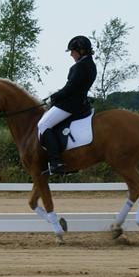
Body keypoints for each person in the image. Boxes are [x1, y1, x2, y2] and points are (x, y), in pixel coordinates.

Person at [38, 35, 97, 175]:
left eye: (73, 51)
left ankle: (55, 163)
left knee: (43, 125)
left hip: (70, 105)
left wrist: (54, 97)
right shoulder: (90, 65)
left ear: (81, 51)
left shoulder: (80, 66)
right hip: (79, 103)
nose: (71, 54)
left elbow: (70, 88)